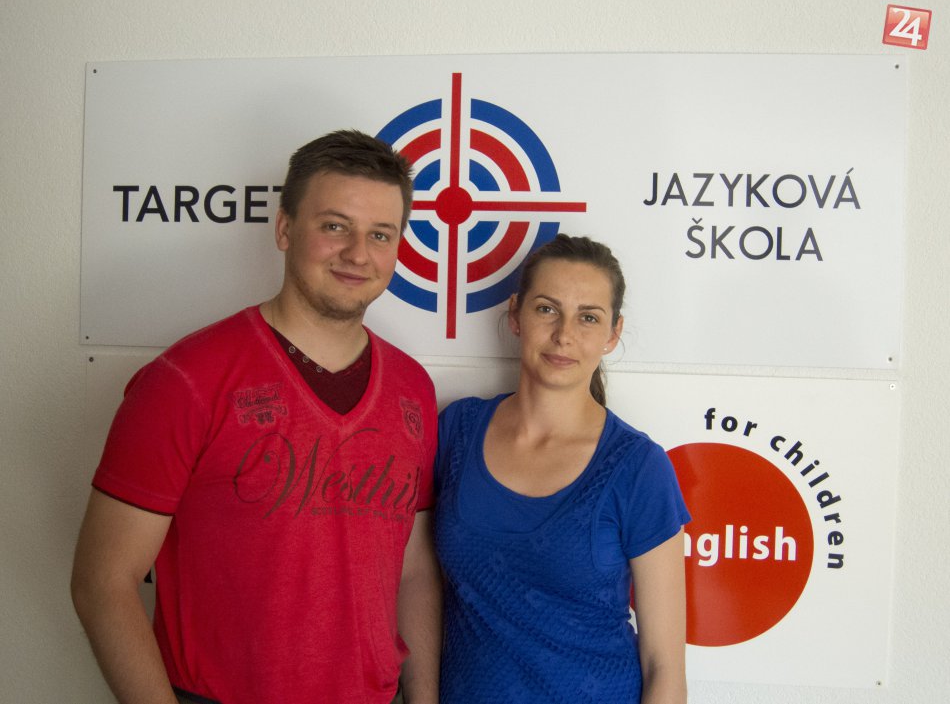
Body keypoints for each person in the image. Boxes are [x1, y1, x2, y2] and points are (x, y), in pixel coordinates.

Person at [71, 130, 441, 704]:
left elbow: (412, 569)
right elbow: (103, 583)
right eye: (335, 226)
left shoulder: (413, 389)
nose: (358, 253)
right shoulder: (186, 380)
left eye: (380, 234)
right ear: (285, 228)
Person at [434, 234, 690, 703]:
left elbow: (665, 667)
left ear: (613, 333)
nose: (564, 334)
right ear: (516, 314)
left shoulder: (637, 467)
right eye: (547, 309)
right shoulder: (457, 431)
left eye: (588, 317)